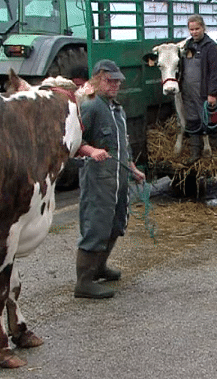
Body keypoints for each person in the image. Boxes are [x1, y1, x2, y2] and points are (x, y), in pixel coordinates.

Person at [74, 59, 145, 299]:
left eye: (117, 81)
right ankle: (83, 283)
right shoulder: (91, 107)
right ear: (96, 80)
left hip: (118, 177)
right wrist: (92, 151)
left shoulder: (117, 108)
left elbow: (122, 143)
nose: (114, 85)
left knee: (115, 224)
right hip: (98, 178)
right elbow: (74, 142)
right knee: (95, 225)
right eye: (109, 80)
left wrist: (132, 167)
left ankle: (99, 268)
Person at [181, 14, 217, 168]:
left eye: (197, 29)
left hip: (204, 93)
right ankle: (195, 154)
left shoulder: (211, 47)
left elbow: (216, 72)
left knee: (212, 124)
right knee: (192, 123)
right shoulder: (187, 46)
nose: (194, 32)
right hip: (188, 93)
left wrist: (212, 94)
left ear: (203, 28)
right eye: (191, 29)